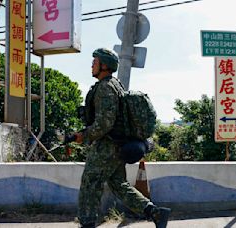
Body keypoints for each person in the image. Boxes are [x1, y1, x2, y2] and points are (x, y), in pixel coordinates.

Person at [73, 48, 170, 228]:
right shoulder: (115, 85)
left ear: (104, 66)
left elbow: (105, 123)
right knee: (118, 184)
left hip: (107, 147)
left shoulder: (105, 88)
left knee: (90, 183)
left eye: (95, 62)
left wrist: (84, 136)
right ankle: (155, 212)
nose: (92, 65)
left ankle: (87, 223)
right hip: (117, 145)